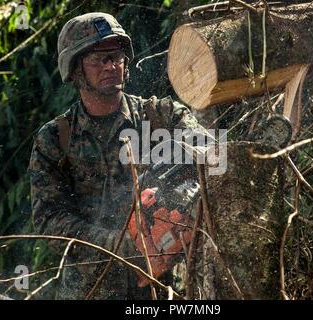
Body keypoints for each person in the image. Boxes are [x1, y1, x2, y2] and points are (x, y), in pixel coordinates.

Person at [28, 12, 203, 299]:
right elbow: (49, 221)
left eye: (116, 56)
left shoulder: (160, 116)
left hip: (163, 287)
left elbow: (210, 156)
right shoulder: (55, 138)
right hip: (90, 290)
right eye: (99, 59)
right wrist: (117, 242)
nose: (111, 66)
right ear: (75, 70)